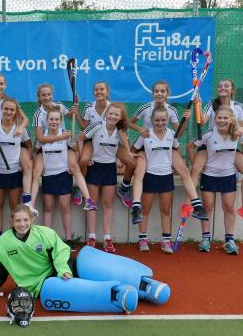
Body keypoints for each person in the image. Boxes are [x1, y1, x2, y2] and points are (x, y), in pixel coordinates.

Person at [0, 205, 170, 316]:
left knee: (86, 261)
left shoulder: (44, 233)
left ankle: (145, 285)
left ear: (31, 220)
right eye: (18, 221)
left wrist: (62, 269)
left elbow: (60, 251)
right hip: (39, 284)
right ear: (11, 222)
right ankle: (117, 295)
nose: (22, 224)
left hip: (60, 267)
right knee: (54, 287)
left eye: (25, 220)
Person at [128, 81, 208, 225]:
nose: (159, 94)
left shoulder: (171, 110)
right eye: (156, 91)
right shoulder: (145, 108)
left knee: (184, 170)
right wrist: (140, 129)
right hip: (146, 144)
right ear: (153, 93)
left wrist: (185, 120)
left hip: (165, 144)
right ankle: (136, 207)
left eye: (162, 91)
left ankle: (197, 206)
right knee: (139, 172)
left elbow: (178, 134)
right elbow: (129, 123)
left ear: (167, 94)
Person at [187, 78, 243, 225]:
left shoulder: (238, 106)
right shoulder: (212, 104)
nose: (222, 87)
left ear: (232, 90)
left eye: (226, 86)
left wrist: (241, 129)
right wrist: (198, 105)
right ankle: (189, 205)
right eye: (220, 86)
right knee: (196, 168)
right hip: (210, 144)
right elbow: (202, 122)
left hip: (229, 144)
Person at [78, 102, 138, 252]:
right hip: (94, 167)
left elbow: (124, 145)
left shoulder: (120, 130)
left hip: (109, 169)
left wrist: (122, 157)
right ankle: (91, 237)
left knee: (108, 204)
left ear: (120, 117)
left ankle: (107, 239)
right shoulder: (97, 126)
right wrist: (82, 155)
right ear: (106, 114)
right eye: (110, 113)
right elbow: (80, 138)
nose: (112, 116)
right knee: (92, 203)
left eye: (116, 115)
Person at [30, 83, 97, 212]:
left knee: (75, 167)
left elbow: (71, 115)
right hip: (45, 147)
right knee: (37, 173)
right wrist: (61, 137)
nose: (47, 97)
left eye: (49, 94)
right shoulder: (38, 114)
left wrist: (76, 106)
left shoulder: (59, 106)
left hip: (64, 145)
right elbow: (41, 139)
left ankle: (88, 200)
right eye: (43, 95)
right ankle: (31, 206)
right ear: (39, 97)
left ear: (52, 95)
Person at [192, 106, 243, 255]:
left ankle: (229, 241)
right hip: (209, 176)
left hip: (228, 176)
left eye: (225, 118)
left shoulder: (237, 133)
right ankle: (205, 239)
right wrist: (196, 164)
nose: (222, 120)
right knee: (207, 208)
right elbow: (190, 146)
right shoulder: (209, 134)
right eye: (219, 118)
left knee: (229, 208)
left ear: (231, 119)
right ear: (214, 119)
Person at [132, 106, 179, 254]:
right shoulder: (145, 134)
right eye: (157, 120)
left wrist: (175, 165)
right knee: (145, 209)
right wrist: (136, 159)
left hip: (166, 176)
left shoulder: (171, 134)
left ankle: (166, 242)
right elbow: (133, 149)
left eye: (163, 120)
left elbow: (176, 149)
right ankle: (142, 240)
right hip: (150, 175)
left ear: (167, 120)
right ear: (152, 120)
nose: (160, 123)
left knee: (165, 210)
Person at [0, 97, 32, 239]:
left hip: (14, 172)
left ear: (15, 111)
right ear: (1, 109)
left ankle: (14, 236)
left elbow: (29, 146)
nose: (8, 112)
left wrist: (23, 162)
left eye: (12, 109)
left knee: (14, 206)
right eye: (6, 109)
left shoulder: (20, 128)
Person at [0, 74, 35, 212]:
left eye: (1, 83)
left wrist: (21, 127)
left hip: (15, 137)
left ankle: (27, 198)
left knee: (27, 163)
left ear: (5, 85)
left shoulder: (11, 101)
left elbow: (25, 118)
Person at [40, 108, 79, 250]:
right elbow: (35, 152)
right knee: (48, 208)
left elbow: (76, 149)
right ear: (47, 120)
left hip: (63, 175)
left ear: (61, 121)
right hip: (48, 176)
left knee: (65, 207)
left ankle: (68, 239)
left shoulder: (66, 134)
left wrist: (73, 164)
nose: (54, 122)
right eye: (51, 119)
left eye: (57, 119)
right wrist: (39, 167)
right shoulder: (42, 136)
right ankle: (47, 240)